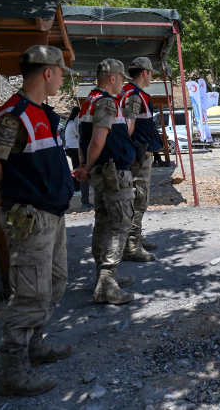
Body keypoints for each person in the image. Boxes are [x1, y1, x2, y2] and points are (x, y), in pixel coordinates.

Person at [0, 45, 75, 396]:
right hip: (32, 216)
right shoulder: (13, 116)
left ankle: (36, 344)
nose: (61, 80)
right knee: (30, 294)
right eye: (60, 73)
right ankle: (13, 372)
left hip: (52, 213)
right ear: (48, 73)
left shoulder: (42, 113)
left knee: (55, 282)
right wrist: (21, 188)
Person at [72, 59, 137, 305]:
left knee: (103, 221)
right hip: (113, 174)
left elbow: (83, 140)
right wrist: (86, 167)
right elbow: (97, 141)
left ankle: (104, 277)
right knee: (121, 223)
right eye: (121, 78)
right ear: (113, 78)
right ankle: (107, 283)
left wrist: (84, 165)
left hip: (102, 173)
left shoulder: (88, 102)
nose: (123, 84)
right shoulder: (108, 102)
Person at [118, 57, 162, 261]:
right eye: (151, 73)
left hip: (138, 154)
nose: (151, 77)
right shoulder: (134, 95)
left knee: (137, 198)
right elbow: (128, 126)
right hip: (138, 156)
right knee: (139, 199)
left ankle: (136, 238)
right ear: (145, 73)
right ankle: (132, 246)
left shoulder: (129, 92)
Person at [64, 106, 91, 209]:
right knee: (77, 168)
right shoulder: (73, 122)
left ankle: (78, 189)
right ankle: (76, 189)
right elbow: (78, 134)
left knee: (76, 167)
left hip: (69, 147)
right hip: (74, 147)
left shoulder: (69, 122)